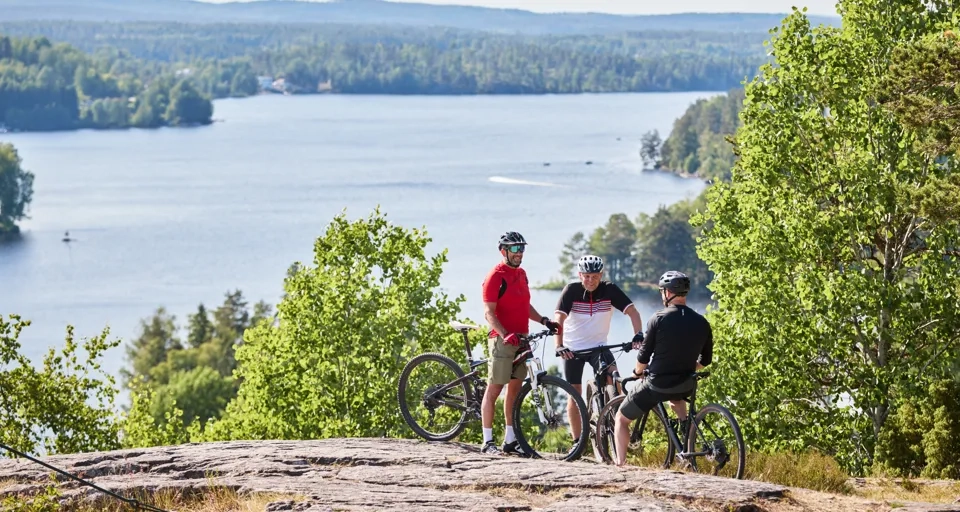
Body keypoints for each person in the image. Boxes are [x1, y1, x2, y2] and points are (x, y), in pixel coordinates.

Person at [613, 270, 713, 467]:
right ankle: (687, 432)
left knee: (621, 419)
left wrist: (636, 373)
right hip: (686, 384)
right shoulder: (702, 322)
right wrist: (686, 366)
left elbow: (643, 356)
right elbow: (706, 360)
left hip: (657, 384)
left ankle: (620, 463)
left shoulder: (658, 318)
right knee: (676, 399)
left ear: (668, 293)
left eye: (662, 291)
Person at [480, 231, 560, 456]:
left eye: (522, 248)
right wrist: (505, 334)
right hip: (503, 340)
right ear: (503, 251)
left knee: (514, 391)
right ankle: (487, 442)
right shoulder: (495, 276)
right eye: (514, 249)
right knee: (494, 389)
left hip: (522, 339)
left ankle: (510, 440)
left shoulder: (522, 274)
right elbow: (489, 313)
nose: (519, 253)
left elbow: (525, 306)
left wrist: (544, 320)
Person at [553, 254, 644, 440]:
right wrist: (559, 345)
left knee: (615, 379)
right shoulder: (571, 290)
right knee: (574, 393)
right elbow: (559, 319)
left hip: (599, 347)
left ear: (601, 275)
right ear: (580, 275)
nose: (590, 280)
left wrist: (638, 334)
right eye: (586, 276)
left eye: (595, 276)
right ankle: (577, 441)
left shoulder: (609, 290)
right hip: (573, 349)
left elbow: (633, 313)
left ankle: (617, 421)